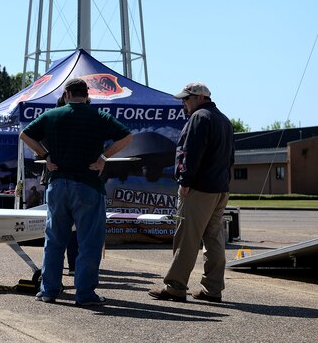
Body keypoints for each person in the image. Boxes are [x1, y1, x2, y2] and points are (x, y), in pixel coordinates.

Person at [20, 78, 132, 306]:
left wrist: (46, 155)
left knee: (54, 241)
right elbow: (127, 136)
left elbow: (25, 134)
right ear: (87, 95)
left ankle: (49, 290)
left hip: (58, 184)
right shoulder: (99, 116)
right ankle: (85, 294)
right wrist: (103, 158)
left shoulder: (53, 115)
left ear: (67, 94)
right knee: (89, 243)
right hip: (88, 186)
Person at [149, 82, 234, 303]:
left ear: (199, 98)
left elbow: (191, 153)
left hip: (198, 188)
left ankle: (176, 287)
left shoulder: (199, 118)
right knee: (213, 239)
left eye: (186, 99)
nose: (183, 103)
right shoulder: (224, 120)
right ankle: (212, 289)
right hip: (220, 187)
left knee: (186, 238)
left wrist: (185, 180)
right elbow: (231, 158)